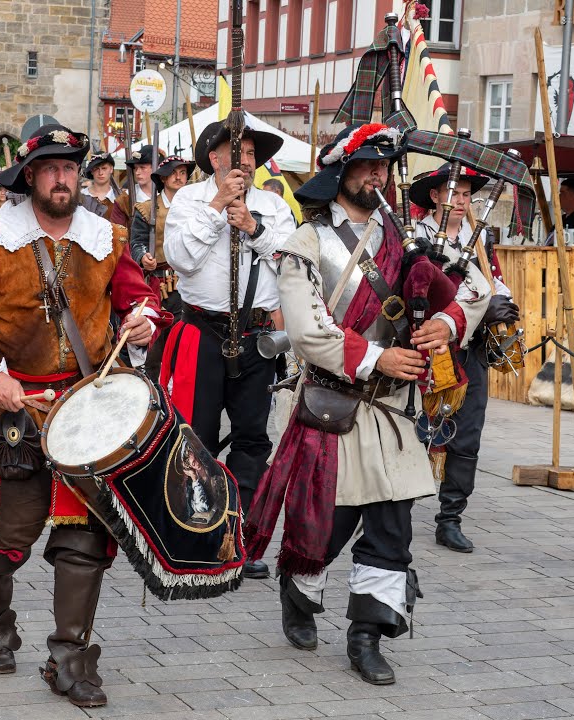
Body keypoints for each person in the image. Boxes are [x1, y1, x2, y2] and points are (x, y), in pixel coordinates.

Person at [243, 123, 490, 686]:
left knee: (391, 527)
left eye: (384, 167)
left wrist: (448, 324)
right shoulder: (305, 242)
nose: (377, 175)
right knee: (325, 529)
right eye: (366, 166)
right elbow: (307, 332)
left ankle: (367, 635)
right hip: (330, 404)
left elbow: (477, 289)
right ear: (340, 174)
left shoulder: (409, 240)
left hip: (394, 411)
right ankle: (298, 589)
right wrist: (377, 357)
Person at [0, 123, 170, 708]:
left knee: (84, 539)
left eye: (71, 168)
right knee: (9, 536)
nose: (62, 178)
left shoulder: (108, 239)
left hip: (90, 409)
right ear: (30, 176)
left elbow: (143, 303)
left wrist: (143, 322)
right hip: (20, 409)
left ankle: (70, 659)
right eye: (50, 168)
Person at [161, 116, 295, 580]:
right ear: (215, 159)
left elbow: (292, 263)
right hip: (203, 331)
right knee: (193, 435)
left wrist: (254, 228)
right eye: (237, 154)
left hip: (256, 338)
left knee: (253, 438)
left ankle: (240, 534)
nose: (246, 163)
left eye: (252, 155)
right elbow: (180, 258)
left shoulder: (273, 207)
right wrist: (218, 207)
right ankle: (194, 530)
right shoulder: (189, 200)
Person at [409, 163, 519, 553]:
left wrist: (502, 304)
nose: (461, 200)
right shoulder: (416, 237)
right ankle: (396, 509)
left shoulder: (479, 237)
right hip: (425, 348)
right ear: (435, 195)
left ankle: (450, 517)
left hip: (470, 351)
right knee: (414, 431)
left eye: (466, 194)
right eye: (454, 192)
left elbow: (493, 279)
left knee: (467, 435)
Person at [130, 154, 196, 380]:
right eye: (174, 173)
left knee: (184, 343)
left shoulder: (197, 208)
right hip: (158, 282)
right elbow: (135, 242)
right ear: (164, 178)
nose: (179, 177)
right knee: (156, 346)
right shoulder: (147, 209)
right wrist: (143, 256)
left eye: (183, 173)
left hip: (189, 281)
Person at [112, 144, 155, 225]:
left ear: (155, 167)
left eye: (142, 168)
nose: (137, 172)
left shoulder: (166, 194)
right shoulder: (124, 200)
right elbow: (117, 232)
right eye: (135, 168)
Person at [80, 151, 118, 219]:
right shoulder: (80, 197)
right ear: (92, 171)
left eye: (104, 168)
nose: (100, 173)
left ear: (111, 169)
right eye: (96, 169)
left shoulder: (119, 197)